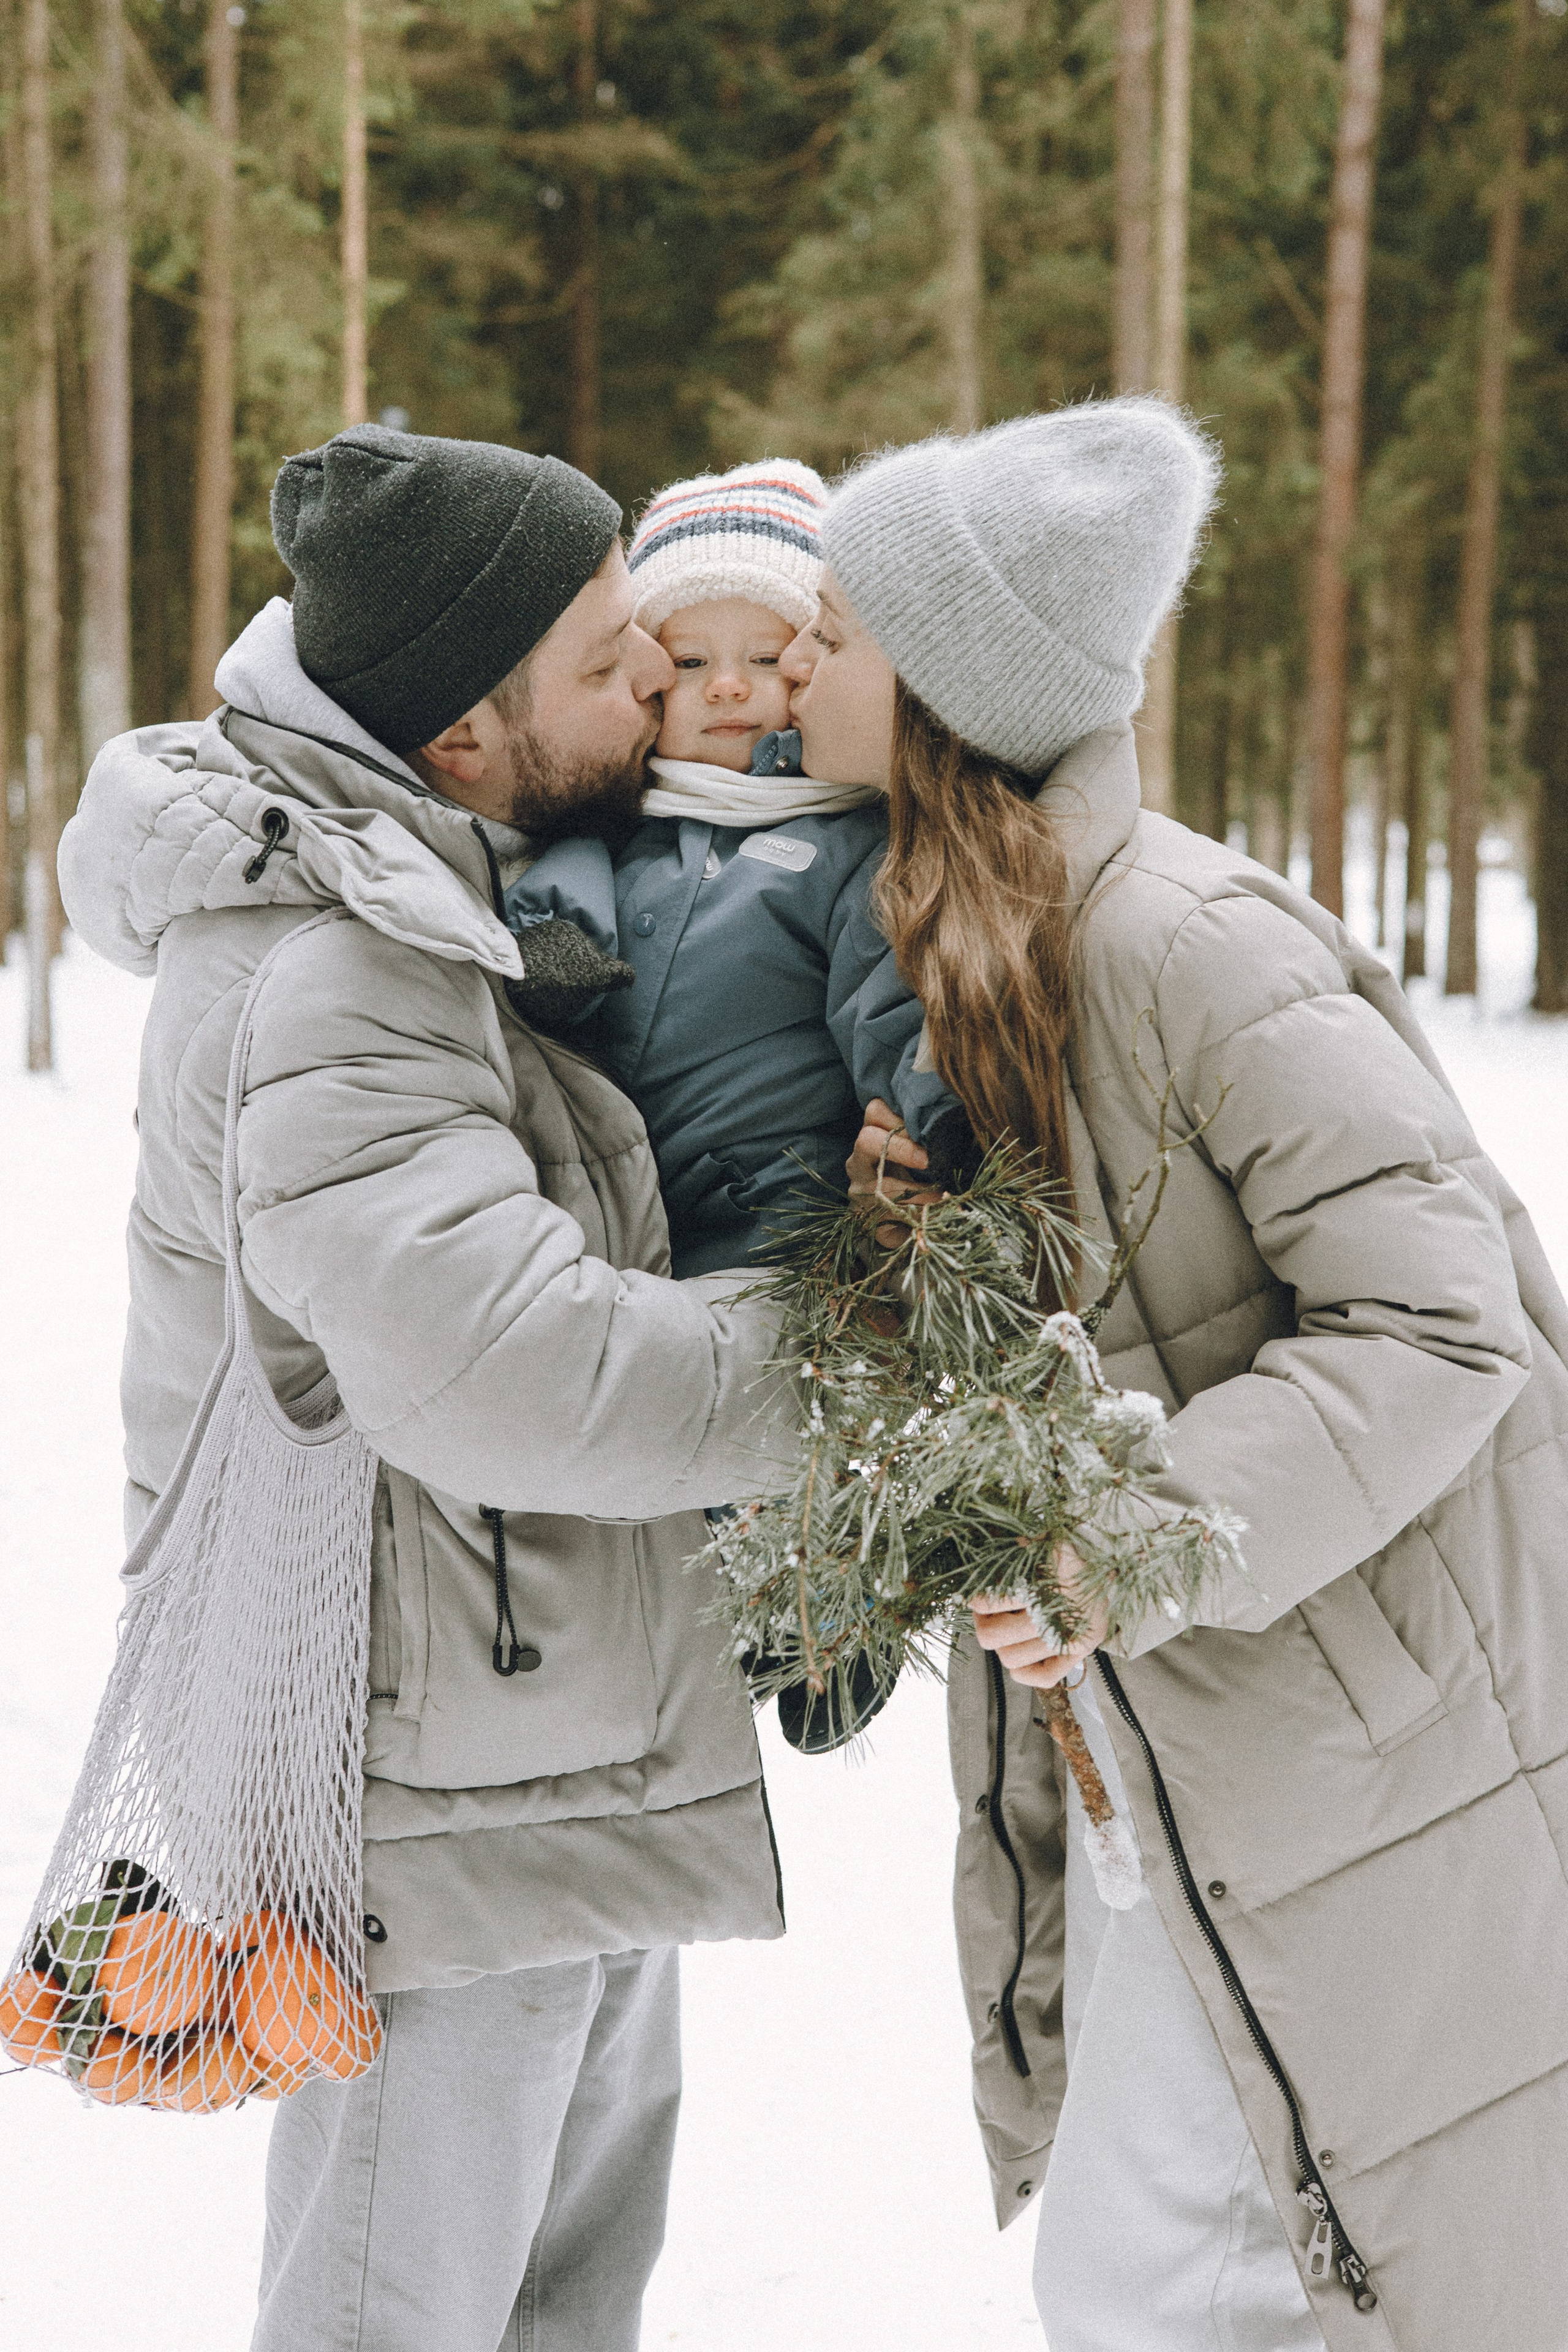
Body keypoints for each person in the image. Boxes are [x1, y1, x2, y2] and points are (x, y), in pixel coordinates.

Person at [778, 395, 1568, 2352]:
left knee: (1191, 2288)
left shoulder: (1189, 945)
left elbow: (1445, 1318)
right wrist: (914, 1238)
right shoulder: (979, 956)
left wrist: (1125, 1537)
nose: (790, 664)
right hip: (1165, 1753)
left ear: (946, 689)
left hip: (1333, 1755)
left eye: (833, 632)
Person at [57, 421, 799, 2352]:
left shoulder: (467, 902)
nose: (661, 687)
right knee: (404, 2310)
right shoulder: (344, 964)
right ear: (465, 731)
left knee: (555, 2299)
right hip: (432, 1773)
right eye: (609, 661)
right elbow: (511, 1368)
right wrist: (844, 1362)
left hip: (536, 1737)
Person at [503, 456, 961, 1283]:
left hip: (769, 1231)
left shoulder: (844, 843)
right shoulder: (617, 811)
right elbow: (560, 866)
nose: (725, 687)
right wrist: (553, 930)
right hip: (596, 1212)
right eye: (689, 663)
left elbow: (889, 1000)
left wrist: (926, 1127)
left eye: (763, 658)